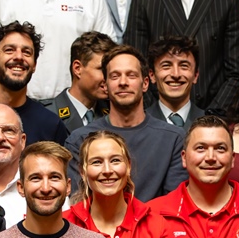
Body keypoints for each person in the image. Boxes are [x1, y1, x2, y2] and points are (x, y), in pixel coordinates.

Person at [64, 44, 188, 202]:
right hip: (94, 226)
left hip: (155, 225)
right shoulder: (80, 140)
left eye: (131, 75)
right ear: (106, 86)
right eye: (115, 76)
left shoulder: (173, 139)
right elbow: (79, 204)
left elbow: (173, 204)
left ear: (145, 83)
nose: (123, 82)